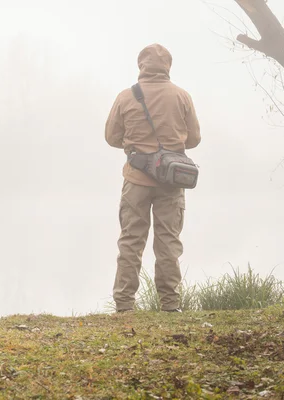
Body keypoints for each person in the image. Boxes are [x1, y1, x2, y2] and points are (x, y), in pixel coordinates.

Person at [104, 43, 201, 313]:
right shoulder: (182, 96)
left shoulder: (126, 97)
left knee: (130, 241)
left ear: (141, 65)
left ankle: (124, 306)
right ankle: (170, 306)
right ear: (168, 66)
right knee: (168, 242)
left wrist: (136, 144)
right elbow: (194, 139)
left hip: (135, 180)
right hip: (172, 182)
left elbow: (111, 137)